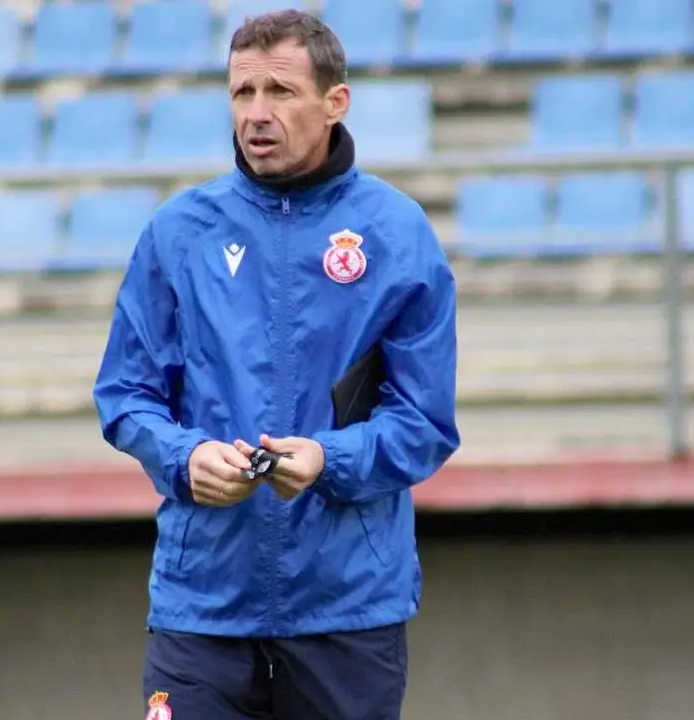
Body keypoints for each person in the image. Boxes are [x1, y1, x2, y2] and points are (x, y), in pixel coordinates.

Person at [93, 9, 460, 720]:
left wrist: (329, 459)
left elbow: (424, 424)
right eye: (242, 93)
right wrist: (183, 454)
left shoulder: (397, 236)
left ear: (335, 102)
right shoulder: (178, 233)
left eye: (280, 92)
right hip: (202, 607)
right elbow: (125, 394)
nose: (256, 113)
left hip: (345, 610)